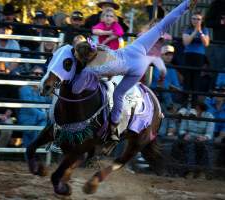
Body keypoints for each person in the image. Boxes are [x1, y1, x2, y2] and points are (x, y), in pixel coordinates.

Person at [73, 0, 198, 141]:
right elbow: (164, 23)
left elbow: (76, 90)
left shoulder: (91, 69)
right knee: (162, 26)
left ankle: (112, 124)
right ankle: (114, 126)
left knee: (116, 93)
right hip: (138, 57)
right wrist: (185, 5)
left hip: (128, 66)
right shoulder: (101, 49)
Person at [176, 101, 215, 178]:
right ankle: (190, 171)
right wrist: (185, 134)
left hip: (202, 137)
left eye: (197, 108)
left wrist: (204, 137)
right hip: (190, 136)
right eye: (194, 108)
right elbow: (182, 130)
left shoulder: (209, 116)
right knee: (190, 145)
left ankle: (203, 171)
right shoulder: (188, 115)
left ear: (202, 109)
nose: (195, 110)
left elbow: (209, 133)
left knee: (205, 146)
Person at [18, 66, 52, 148]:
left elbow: (50, 102)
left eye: (41, 74)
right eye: (36, 74)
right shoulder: (24, 89)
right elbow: (30, 107)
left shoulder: (43, 90)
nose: (38, 76)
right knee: (41, 130)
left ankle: (38, 155)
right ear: (31, 75)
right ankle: (33, 154)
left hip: (41, 120)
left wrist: (51, 93)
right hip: (28, 119)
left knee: (44, 129)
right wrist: (44, 115)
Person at [182, 12, 210, 95]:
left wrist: (200, 32)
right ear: (191, 20)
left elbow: (206, 43)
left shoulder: (205, 30)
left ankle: (193, 104)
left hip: (199, 56)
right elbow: (186, 42)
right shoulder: (187, 29)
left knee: (196, 79)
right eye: (194, 18)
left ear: (202, 21)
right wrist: (195, 32)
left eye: (198, 19)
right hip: (188, 55)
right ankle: (185, 103)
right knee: (187, 79)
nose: (196, 21)